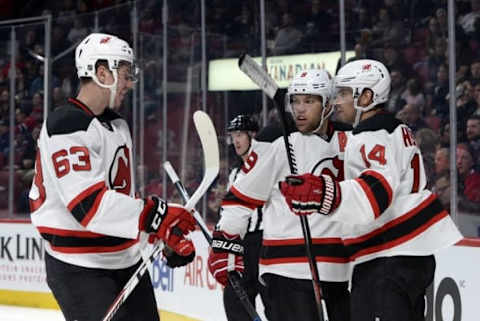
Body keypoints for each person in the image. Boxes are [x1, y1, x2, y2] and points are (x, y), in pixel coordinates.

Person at [28, 33, 196, 321]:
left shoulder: (117, 124)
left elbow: (120, 202)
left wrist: (158, 234)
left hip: (126, 260)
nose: (130, 83)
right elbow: (88, 206)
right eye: (125, 75)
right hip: (80, 266)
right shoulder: (67, 124)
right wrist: (157, 215)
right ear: (102, 72)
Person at [280, 59, 462, 321]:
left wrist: (323, 194)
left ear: (366, 96)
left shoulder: (370, 134)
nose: (338, 101)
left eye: (343, 93)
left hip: (387, 256)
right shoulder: (396, 128)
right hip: (411, 255)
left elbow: (378, 189)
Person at [208, 69, 351, 321]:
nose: (300, 109)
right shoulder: (275, 140)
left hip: (340, 270)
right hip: (287, 271)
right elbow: (240, 199)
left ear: (327, 104)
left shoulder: (350, 139)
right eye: (295, 101)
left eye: (309, 101)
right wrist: (225, 245)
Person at [220, 114, 270, 321]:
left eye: (240, 135)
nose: (236, 141)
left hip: (265, 244)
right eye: (233, 136)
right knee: (234, 300)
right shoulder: (235, 173)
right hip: (242, 246)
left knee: (275, 303)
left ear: (253, 136)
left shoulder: (268, 165)